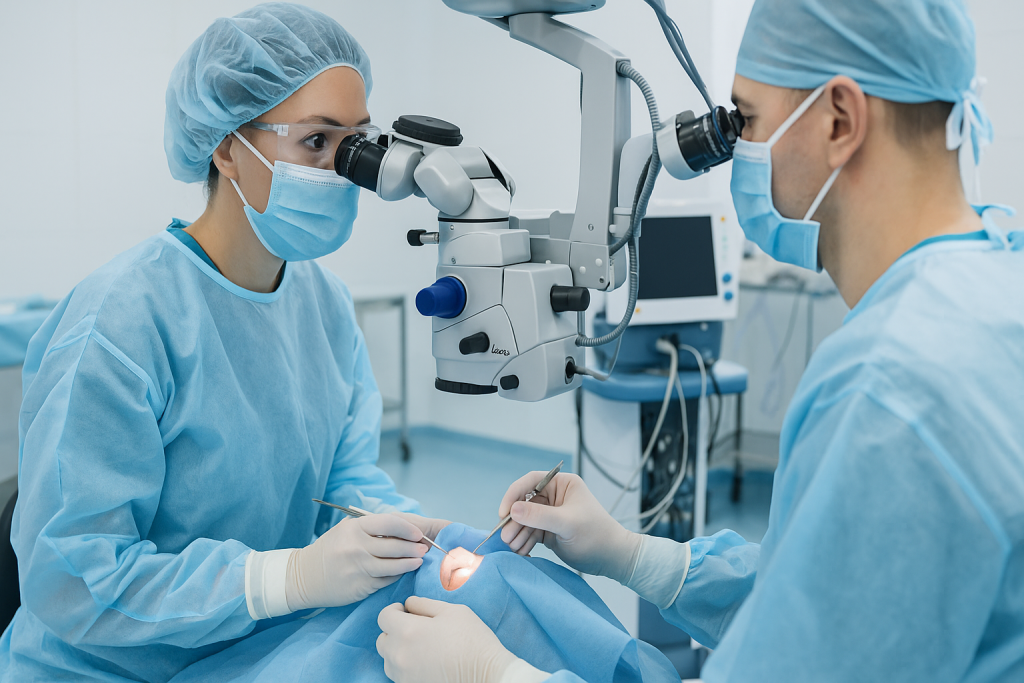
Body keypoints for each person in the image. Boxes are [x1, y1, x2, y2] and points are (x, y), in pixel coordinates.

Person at [375, 0, 1024, 681]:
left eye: (747, 120)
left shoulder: (891, 388)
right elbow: (826, 592)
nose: (736, 146)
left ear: (840, 119)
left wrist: (497, 674)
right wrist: (628, 552)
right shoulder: (991, 286)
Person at [0, 4, 448, 681]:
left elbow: (343, 481)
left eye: (359, 141)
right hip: (103, 667)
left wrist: (420, 537)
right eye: (317, 142)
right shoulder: (121, 320)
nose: (345, 169)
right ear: (228, 145)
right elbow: (73, 578)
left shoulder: (323, 305)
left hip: (250, 649)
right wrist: (284, 577)